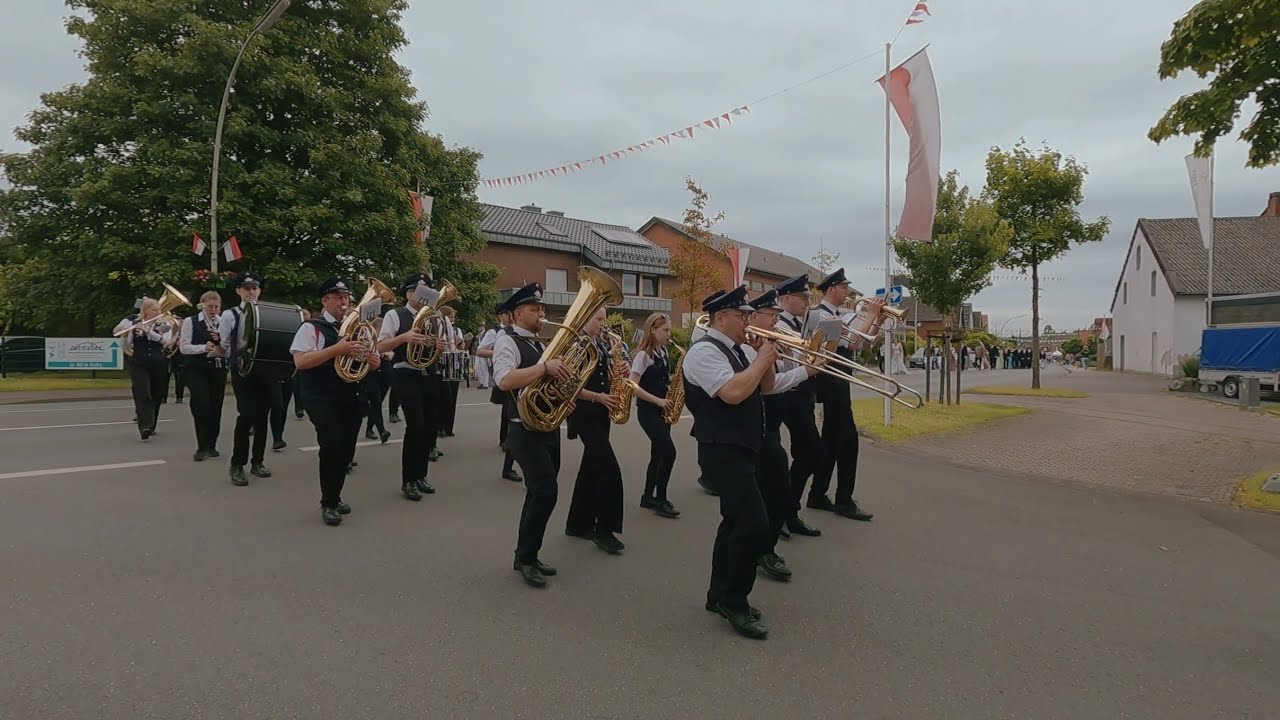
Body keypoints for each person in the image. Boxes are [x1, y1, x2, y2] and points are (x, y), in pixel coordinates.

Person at [682, 285, 777, 639]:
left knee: (734, 522)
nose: (748, 322)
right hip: (721, 449)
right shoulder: (704, 352)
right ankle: (735, 602)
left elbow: (764, 388)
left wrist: (766, 359)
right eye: (742, 316)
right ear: (720, 317)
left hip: (740, 447)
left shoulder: (735, 350)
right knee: (753, 524)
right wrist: (761, 359)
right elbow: (734, 393)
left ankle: (718, 594)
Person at [492, 282, 574, 588]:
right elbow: (504, 381)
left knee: (540, 493)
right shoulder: (507, 342)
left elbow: (548, 384)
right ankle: (526, 558)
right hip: (523, 429)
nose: (542, 314)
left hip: (546, 427)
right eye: (534, 309)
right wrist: (544, 369)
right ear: (516, 314)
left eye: (542, 309)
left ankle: (528, 553)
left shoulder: (541, 346)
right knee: (545, 491)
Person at [744, 289, 824, 581]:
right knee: (766, 493)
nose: (777, 320)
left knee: (774, 491)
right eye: (772, 315)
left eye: (778, 315)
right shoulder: (749, 347)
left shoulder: (770, 342)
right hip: (758, 426)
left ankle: (765, 543)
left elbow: (777, 381)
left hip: (771, 423)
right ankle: (761, 550)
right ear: (754, 317)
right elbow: (770, 385)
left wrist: (799, 363)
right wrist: (805, 372)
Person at [290, 276, 380, 525]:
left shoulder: (357, 328)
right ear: (325, 300)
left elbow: (369, 360)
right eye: (338, 297)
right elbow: (301, 362)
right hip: (321, 396)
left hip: (351, 394)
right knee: (332, 446)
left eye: (346, 297)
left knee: (346, 450)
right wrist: (336, 350)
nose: (344, 302)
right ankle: (328, 502)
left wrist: (373, 362)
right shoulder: (312, 327)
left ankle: (335, 495)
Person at [807, 268, 884, 521]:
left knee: (830, 441)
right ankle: (843, 500)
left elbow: (862, 343)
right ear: (831, 289)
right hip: (831, 380)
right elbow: (850, 343)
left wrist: (878, 321)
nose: (848, 292)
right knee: (848, 441)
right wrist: (870, 314)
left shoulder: (839, 315)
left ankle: (818, 494)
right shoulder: (821, 315)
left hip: (839, 381)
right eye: (844, 288)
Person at [376, 273, 448, 501]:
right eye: (421, 291)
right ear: (409, 293)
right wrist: (405, 338)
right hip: (407, 373)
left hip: (430, 373)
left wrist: (439, 345)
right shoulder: (394, 315)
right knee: (415, 426)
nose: (427, 297)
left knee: (429, 427)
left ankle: (421, 476)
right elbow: (380, 345)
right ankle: (408, 479)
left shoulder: (435, 318)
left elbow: (436, 347)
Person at [563, 306, 626, 555]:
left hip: (600, 413)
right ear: (585, 318)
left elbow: (601, 378)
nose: (603, 323)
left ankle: (577, 524)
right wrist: (598, 397)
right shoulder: (576, 345)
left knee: (590, 469)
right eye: (598, 318)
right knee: (609, 470)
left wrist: (616, 375)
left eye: (604, 318)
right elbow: (570, 385)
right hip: (585, 413)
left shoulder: (599, 344)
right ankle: (605, 530)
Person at [771, 275, 824, 539]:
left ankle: (788, 512)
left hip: (803, 392)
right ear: (786, 299)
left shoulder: (800, 325)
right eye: (802, 297)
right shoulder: (777, 327)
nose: (806, 302)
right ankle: (783, 511)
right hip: (789, 393)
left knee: (807, 454)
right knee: (811, 453)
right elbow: (786, 365)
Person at [219, 271, 277, 487]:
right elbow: (224, 346)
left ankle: (258, 461)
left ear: (259, 290)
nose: (252, 291)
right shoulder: (230, 315)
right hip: (242, 370)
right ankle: (237, 464)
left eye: (255, 288)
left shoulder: (267, 312)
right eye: (247, 288)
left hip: (265, 370)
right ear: (238, 291)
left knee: (263, 416)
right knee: (247, 414)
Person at [629, 312, 680, 519]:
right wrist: (658, 400)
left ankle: (647, 496)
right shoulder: (643, 355)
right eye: (665, 330)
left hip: (662, 411)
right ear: (653, 330)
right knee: (669, 452)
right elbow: (632, 385)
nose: (669, 334)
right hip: (649, 411)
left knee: (657, 454)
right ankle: (661, 499)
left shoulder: (663, 351)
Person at [115, 298, 174, 440]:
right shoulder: (135, 324)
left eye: (159, 309)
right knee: (142, 393)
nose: (158, 312)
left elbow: (165, 341)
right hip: (139, 362)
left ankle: (152, 424)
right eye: (154, 310)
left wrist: (148, 331)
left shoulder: (164, 324)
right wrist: (124, 335)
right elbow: (126, 345)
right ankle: (144, 426)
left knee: (156, 394)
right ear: (146, 311)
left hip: (158, 361)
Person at [178, 291, 228, 461]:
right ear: (202, 305)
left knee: (216, 406)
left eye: (216, 307)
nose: (213, 310)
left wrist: (221, 346)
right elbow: (184, 347)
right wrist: (203, 348)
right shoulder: (190, 322)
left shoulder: (223, 323)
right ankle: (201, 446)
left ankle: (212, 445)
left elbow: (229, 348)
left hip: (217, 368)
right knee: (201, 403)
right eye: (210, 307)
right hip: (196, 368)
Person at [477, 301, 521, 482]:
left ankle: (508, 451)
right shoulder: (497, 332)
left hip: (519, 377)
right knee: (510, 415)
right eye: (505, 313)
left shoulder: (519, 331)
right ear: (501, 316)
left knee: (512, 415)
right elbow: (480, 351)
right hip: (506, 375)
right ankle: (505, 442)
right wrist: (499, 353)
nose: (508, 316)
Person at [363, 316, 393, 444]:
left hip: (385, 370)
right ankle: (382, 430)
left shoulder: (386, 339)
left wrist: (388, 354)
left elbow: (392, 352)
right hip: (371, 372)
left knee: (378, 401)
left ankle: (369, 428)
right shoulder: (367, 338)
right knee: (375, 400)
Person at [437, 305, 462, 438]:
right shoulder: (437, 325)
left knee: (452, 397)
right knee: (444, 397)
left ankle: (448, 427)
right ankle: (440, 426)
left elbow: (456, 343)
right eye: (450, 316)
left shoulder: (456, 329)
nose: (453, 319)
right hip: (441, 362)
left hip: (453, 361)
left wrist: (454, 346)